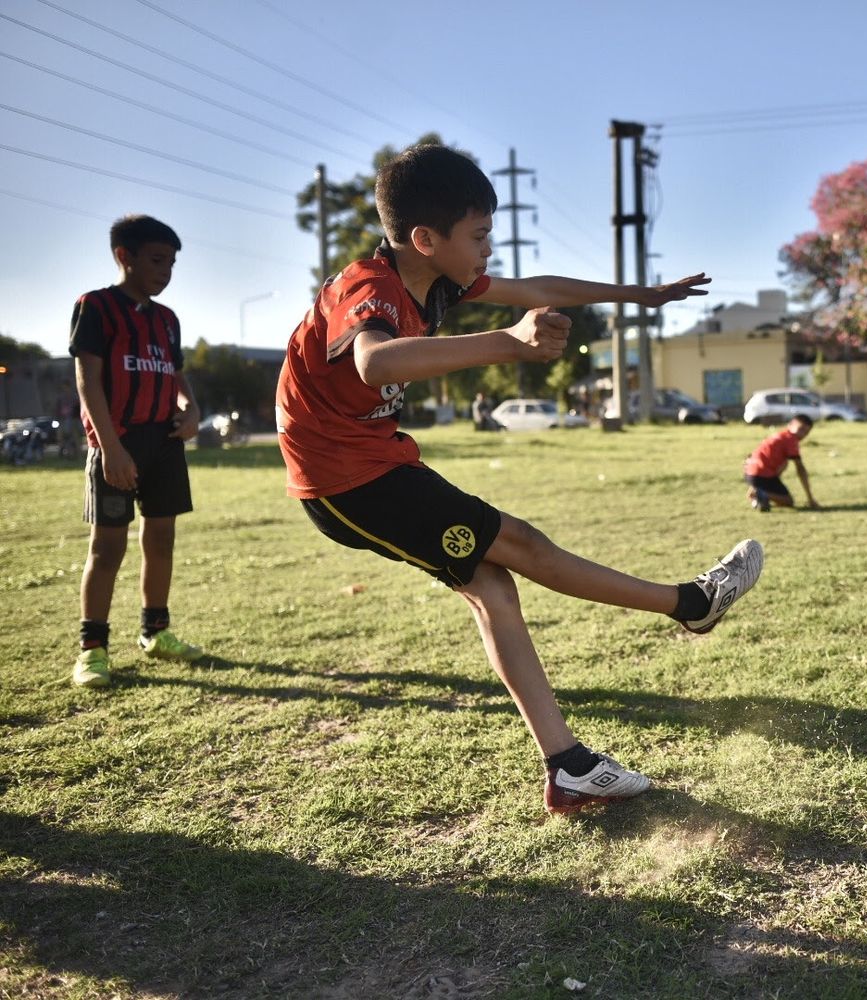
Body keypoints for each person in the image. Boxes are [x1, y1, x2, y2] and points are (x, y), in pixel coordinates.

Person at [275, 143, 763, 814]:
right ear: (424, 238)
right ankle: (690, 604)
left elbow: (541, 291)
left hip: (375, 463)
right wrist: (509, 342)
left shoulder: (434, 278)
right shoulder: (369, 286)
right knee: (521, 546)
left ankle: (567, 767)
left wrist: (641, 295)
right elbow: (375, 363)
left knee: (495, 587)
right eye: (478, 236)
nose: (489, 249)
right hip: (347, 480)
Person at [68, 215, 205, 688]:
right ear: (123, 256)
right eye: (156, 260)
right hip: (116, 444)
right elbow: (87, 381)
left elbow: (176, 376)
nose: (165, 271)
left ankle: (156, 632)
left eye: (171, 263)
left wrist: (190, 410)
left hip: (164, 445)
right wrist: (110, 447)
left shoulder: (167, 320)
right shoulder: (97, 307)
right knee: (107, 549)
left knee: (161, 541)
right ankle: (92, 650)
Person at [744, 414, 819, 511]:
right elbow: (800, 468)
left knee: (784, 464)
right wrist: (810, 498)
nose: (802, 434)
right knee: (788, 501)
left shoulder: (779, 435)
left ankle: (758, 496)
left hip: (750, 473)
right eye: (801, 429)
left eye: (806, 432)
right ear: (790, 425)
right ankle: (760, 493)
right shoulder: (791, 439)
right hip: (762, 475)